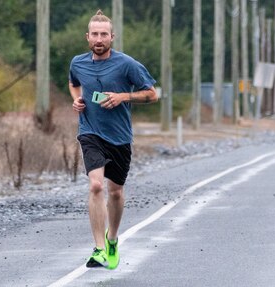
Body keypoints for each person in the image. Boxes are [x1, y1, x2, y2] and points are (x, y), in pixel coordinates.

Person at [69, 9, 158, 269]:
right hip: (90, 131)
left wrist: (123, 97)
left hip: (119, 136)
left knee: (115, 192)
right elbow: (74, 83)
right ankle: (98, 249)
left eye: (104, 35)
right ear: (87, 37)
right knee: (96, 186)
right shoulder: (77, 62)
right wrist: (76, 99)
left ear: (112, 37)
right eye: (94, 34)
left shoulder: (127, 64)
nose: (99, 39)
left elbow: (152, 94)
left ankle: (112, 240)